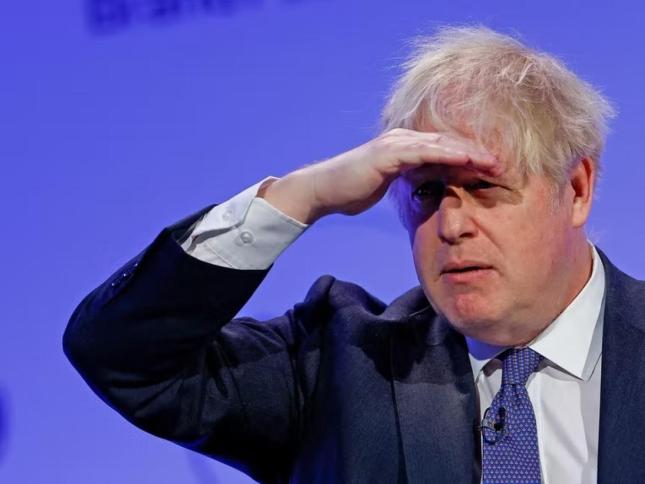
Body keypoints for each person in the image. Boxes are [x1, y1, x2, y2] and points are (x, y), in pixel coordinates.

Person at [63, 26, 645, 484]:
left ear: (576, 190)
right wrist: (303, 195)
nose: (451, 225)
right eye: (426, 192)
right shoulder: (338, 366)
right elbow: (119, 355)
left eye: (484, 187)